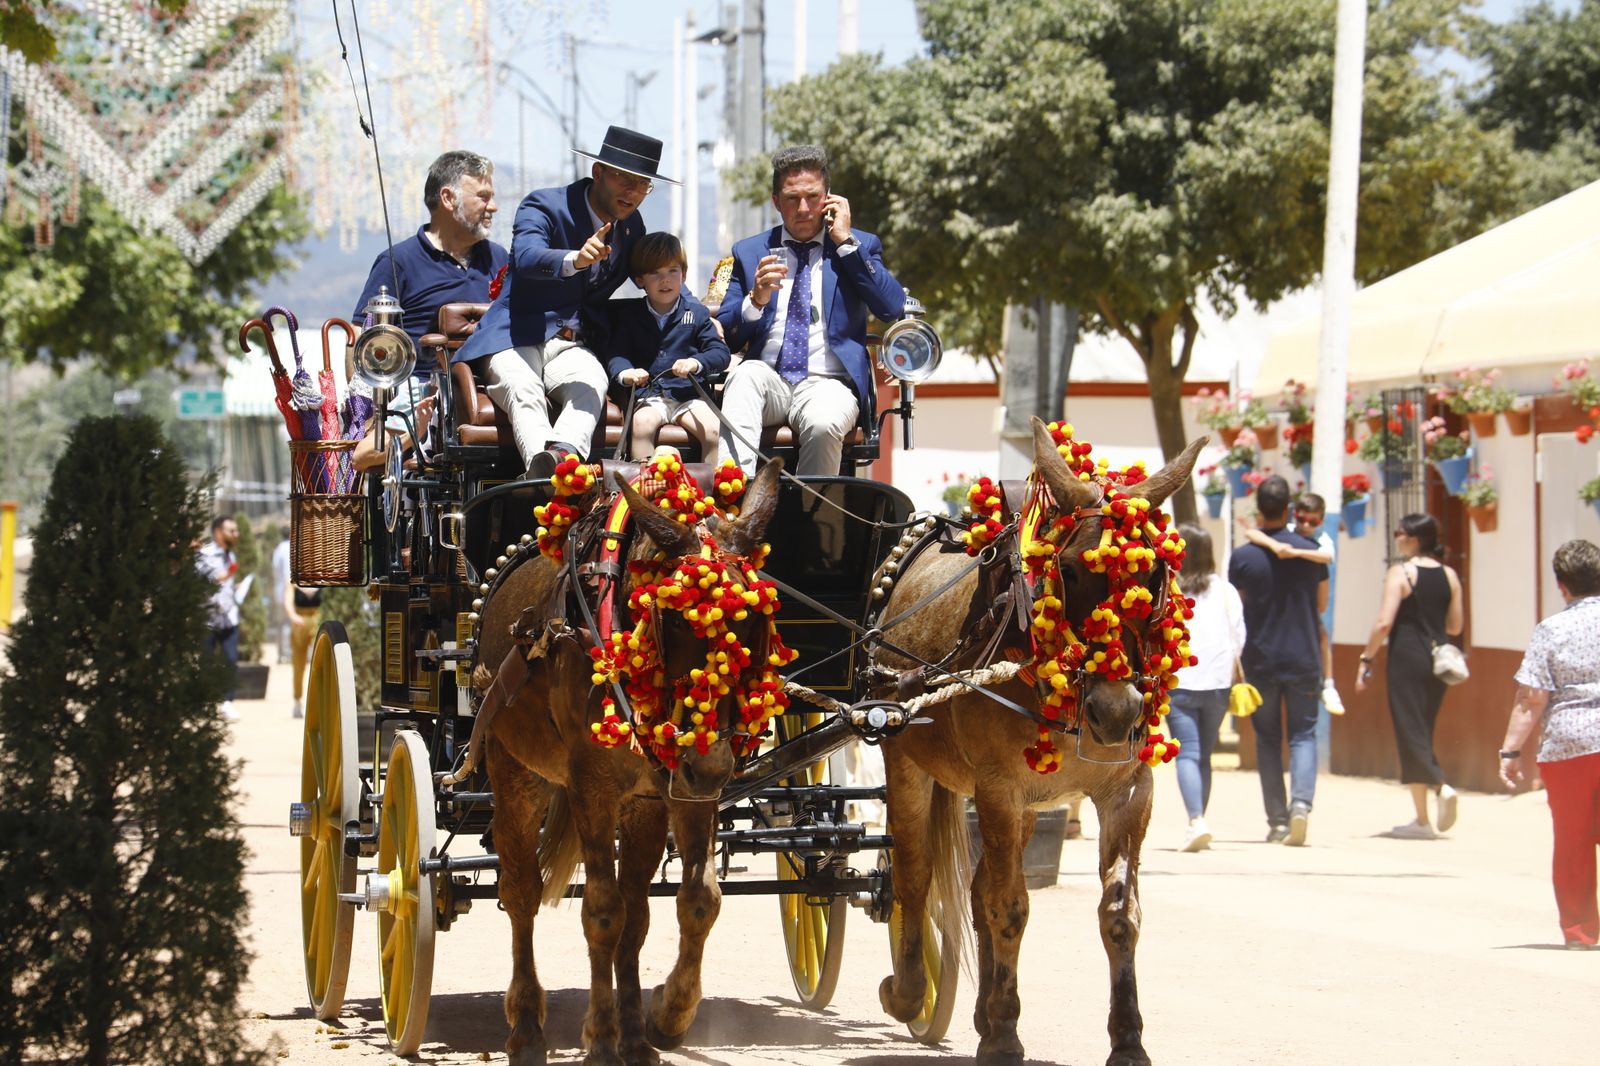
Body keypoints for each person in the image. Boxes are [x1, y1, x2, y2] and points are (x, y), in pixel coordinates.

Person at [454, 126, 678, 479]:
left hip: (573, 344)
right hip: (515, 335)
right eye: (625, 178)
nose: (633, 192)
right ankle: (550, 480)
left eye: (643, 184)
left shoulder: (632, 225)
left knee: (591, 385)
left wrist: (697, 316)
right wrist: (575, 259)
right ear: (598, 173)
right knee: (523, 389)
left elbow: (656, 272)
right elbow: (526, 256)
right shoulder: (544, 204)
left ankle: (559, 460)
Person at [715, 144, 906, 476]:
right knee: (743, 378)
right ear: (776, 201)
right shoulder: (750, 251)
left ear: (829, 198)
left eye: (813, 197)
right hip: (769, 378)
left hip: (829, 382)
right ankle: (734, 507)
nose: (803, 208)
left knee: (822, 423)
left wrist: (846, 243)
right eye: (791, 198)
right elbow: (728, 336)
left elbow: (891, 308)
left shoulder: (858, 245)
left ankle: (812, 522)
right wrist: (756, 299)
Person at [351, 150, 509, 469]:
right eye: (483, 196)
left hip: (492, 384)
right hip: (423, 389)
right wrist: (365, 411)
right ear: (448, 198)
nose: (493, 206)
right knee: (366, 455)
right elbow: (361, 338)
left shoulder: (499, 259)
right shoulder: (398, 263)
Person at [1500, 539, 1600, 948]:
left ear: (1562, 586)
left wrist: (1509, 750)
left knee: (1573, 837)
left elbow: (1531, 698)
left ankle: (1581, 931)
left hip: (1569, 745)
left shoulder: (1552, 629)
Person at [1228, 475, 1328, 845]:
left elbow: (1236, 610)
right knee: (1303, 735)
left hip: (1261, 657)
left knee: (1268, 739)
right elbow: (1321, 606)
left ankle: (1278, 821)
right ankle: (1301, 804)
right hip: (1304, 655)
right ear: (1289, 509)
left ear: (1259, 510)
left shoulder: (1242, 557)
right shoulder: (1311, 550)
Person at [1354, 513, 1464, 839]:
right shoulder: (1450, 575)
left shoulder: (1400, 573)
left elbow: (1384, 623)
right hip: (1438, 662)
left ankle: (1440, 785)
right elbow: (1455, 627)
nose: (1397, 536)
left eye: (1401, 532)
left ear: (1414, 539)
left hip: (1406, 659)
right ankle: (1421, 819)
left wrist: (1366, 657)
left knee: (1409, 729)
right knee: (1419, 730)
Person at [593, 232, 730, 463]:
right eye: (655, 273)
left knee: (714, 429)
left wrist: (696, 363)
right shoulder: (629, 317)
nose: (665, 280)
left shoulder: (696, 314)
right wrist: (627, 373)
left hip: (690, 396)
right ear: (640, 280)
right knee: (641, 424)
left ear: (683, 275)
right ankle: (642, 488)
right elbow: (617, 354)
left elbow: (719, 353)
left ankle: (711, 493)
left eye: (672, 271)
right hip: (650, 396)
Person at [1169, 524, 1246, 852]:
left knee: (1188, 751)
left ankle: (1196, 819)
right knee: (1204, 755)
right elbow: (1238, 636)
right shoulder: (1225, 591)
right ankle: (1198, 819)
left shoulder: (1170, 588)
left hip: (1180, 681)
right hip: (1217, 683)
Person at [1242, 493, 1343, 714]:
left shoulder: (1323, 540)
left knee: (1322, 634)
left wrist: (1294, 552)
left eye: (1313, 522)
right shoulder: (1288, 531)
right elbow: (1250, 532)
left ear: (1322, 522)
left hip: (1299, 617)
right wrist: (1275, 546)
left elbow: (1326, 556)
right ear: (1293, 515)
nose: (1306, 525)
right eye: (1302, 519)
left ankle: (1329, 684)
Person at [197, 515, 242, 721]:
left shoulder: (230, 556)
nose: (236, 534)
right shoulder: (205, 554)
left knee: (231, 660)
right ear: (218, 532)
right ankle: (205, 703)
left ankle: (227, 702)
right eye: (231, 531)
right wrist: (220, 578)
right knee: (206, 662)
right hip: (207, 618)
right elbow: (200, 580)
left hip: (229, 618)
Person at [285, 577, 322, 720]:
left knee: (319, 663)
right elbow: (288, 602)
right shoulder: (293, 582)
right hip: (299, 623)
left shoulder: (322, 579)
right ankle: (297, 700)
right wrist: (293, 616)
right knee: (298, 664)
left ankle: (318, 702)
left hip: (317, 621)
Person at [271, 523, 292, 664]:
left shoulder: (278, 549)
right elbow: (287, 575)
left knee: (283, 624)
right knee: (289, 624)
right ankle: (287, 654)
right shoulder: (291, 548)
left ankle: (282, 654)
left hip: (280, 591)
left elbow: (274, 571)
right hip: (290, 591)